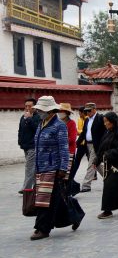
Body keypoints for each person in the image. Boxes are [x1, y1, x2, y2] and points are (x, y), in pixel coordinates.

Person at [30, 96, 81, 240]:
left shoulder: (59, 126)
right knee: (55, 198)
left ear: (50, 110)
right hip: (41, 167)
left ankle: (42, 228)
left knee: (44, 200)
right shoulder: (42, 123)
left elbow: (64, 149)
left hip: (53, 168)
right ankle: (76, 215)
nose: (39, 112)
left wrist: (63, 169)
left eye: (41, 109)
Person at [77, 103, 106, 193]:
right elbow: (83, 133)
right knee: (96, 165)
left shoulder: (100, 118)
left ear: (94, 109)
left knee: (91, 165)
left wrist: (104, 144)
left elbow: (106, 132)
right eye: (86, 111)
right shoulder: (87, 120)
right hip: (88, 145)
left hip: (97, 145)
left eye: (89, 110)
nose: (87, 112)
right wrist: (77, 143)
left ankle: (86, 185)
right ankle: (110, 177)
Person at [18, 98, 41, 193]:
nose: (27, 108)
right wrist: (20, 141)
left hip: (33, 145)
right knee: (33, 168)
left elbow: (37, 129)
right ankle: (37, 186)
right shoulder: (23, 117)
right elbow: (21, 130)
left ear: (35, 107)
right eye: (26, 106)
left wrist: (29, 119)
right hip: (25, 145)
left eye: (30, 106)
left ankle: (26, 188)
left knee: (29, 167)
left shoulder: (37, 117)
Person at [69, 107, 89, 186]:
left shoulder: (88, 119)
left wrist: (80, 132)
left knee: (92, 161)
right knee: (77, 161)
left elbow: (85, 131)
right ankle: (72, 176)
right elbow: (80, 130)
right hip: (81, 143)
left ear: (83, 112)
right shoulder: (80, 120)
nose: (79, 114)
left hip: (87, 143)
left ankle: (94, 175)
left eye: (80, 113)